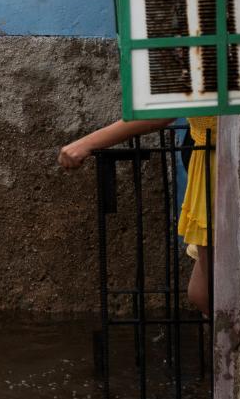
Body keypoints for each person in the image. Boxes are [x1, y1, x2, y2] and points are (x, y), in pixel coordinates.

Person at [59, 115, 216, 314]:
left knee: (214, 289)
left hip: (217, 167)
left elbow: (162, 111)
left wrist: (86, 143)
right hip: (206, 164)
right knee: (202, 292)